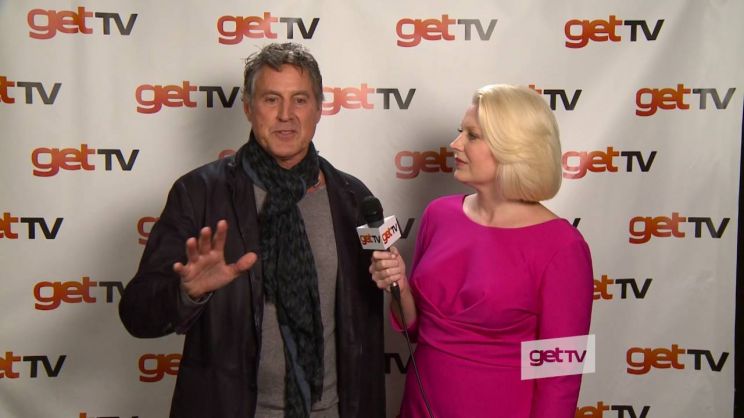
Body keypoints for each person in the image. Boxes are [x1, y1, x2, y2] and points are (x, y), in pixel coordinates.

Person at [119, 42, 385, 418]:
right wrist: (187, 293)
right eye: (271, 99)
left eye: (300, 100)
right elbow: (137, 314)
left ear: (319, 108)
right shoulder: (199, 194)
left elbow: (368, 326)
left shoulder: (352, 198)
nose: (286, 115)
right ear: (248, 107)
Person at [370, 84, 594, 418]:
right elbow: (414, 329)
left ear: (513, 148)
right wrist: (399, 288)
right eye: (461, 131)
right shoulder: (438, 214)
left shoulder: (563, 246)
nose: (455, 144)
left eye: (472, 136)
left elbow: (560, 378)